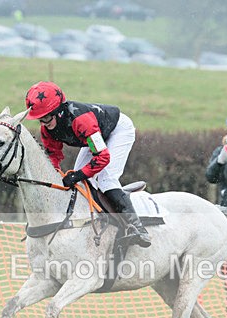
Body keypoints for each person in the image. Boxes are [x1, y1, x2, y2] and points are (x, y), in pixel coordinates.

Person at [24, 81, 151, 248]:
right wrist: (54, 177)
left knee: (106, 179)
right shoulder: (47, 129)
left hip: (117, 130)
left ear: (59, 112)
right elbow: (53, 157)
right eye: (40, 119)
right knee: (81, 181)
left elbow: (102, 157)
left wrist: (78, 175)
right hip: (94, 136)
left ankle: (137, 228)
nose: (43, 123)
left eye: (46, 117)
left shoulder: (80, 120)